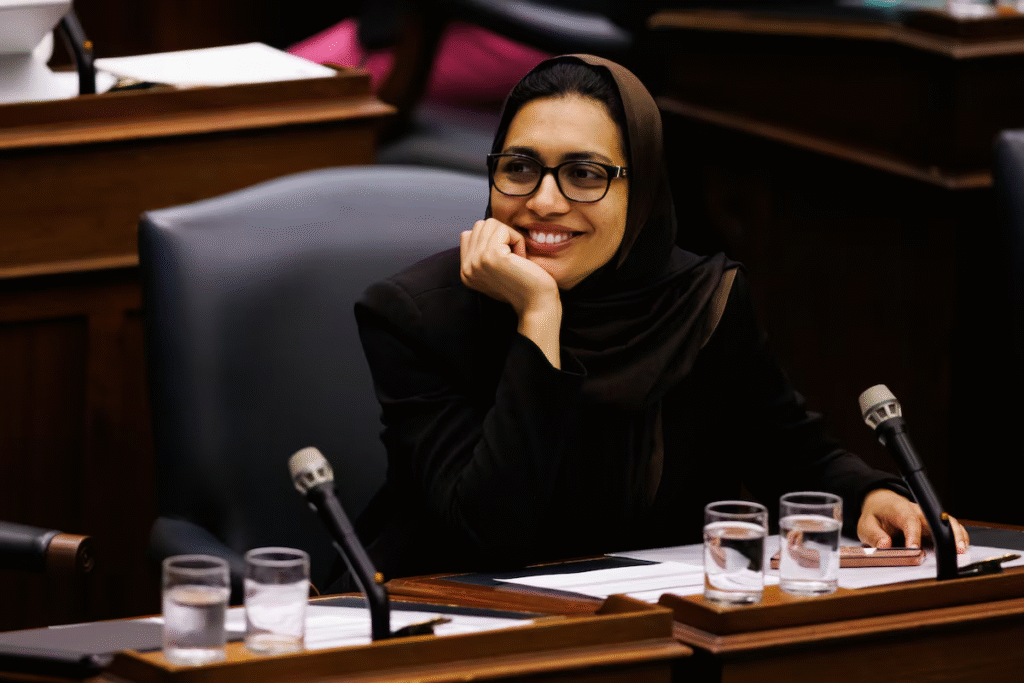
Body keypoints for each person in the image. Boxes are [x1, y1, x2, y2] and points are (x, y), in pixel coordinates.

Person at [350, 54, 969, 582]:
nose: (543, 200)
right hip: (454, 627)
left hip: (660, 628)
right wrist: (539, 317)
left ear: (641, 187)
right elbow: (489, 534)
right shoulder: (417, 318)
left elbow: (793, 458)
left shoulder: (701, 305)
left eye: (584, 174)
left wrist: (871, 494)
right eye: (519, 168)